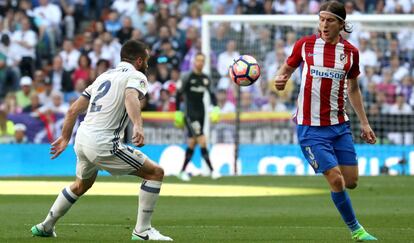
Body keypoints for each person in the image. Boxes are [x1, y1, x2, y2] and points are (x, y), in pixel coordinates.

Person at [30, 40, 172, 241]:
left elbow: (72, 110)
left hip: (82, 139)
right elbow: (131, 96)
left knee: (80, 185)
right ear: (139, 61)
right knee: (155, 173)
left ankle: (46, 225)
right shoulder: (136, 76)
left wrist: (64, 137)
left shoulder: (103, 76)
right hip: (103, 143)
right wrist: (138, 126)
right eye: (146, 60)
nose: (147, 64)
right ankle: (143, 230)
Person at [274, 1, 377, 241]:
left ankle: (345, 203)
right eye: (321, 19)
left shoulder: (350, 53)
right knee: (336, 179)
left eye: (329, 20)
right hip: (310, 128)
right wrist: (280, 79)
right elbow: (285, 71)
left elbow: (354, 89)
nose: (323, 24)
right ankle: (357, 230)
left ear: (341, 24)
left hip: (339, 126)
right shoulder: (305, 45)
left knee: (351, 181)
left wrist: (364, 122)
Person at [175, 53, 219, 181]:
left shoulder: (206, 78)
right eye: (198, 60)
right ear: (194, 62)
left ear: (204, 63)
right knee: (202, 140)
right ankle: (212, 170)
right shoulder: (187, 76)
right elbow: (178, 94)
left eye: (202, 61)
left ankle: (182, 171)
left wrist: (215, 107)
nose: (200, 63)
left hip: (201, 113)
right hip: (190, 114)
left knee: (192, 143)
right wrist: (178, 111)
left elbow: (212, 94)